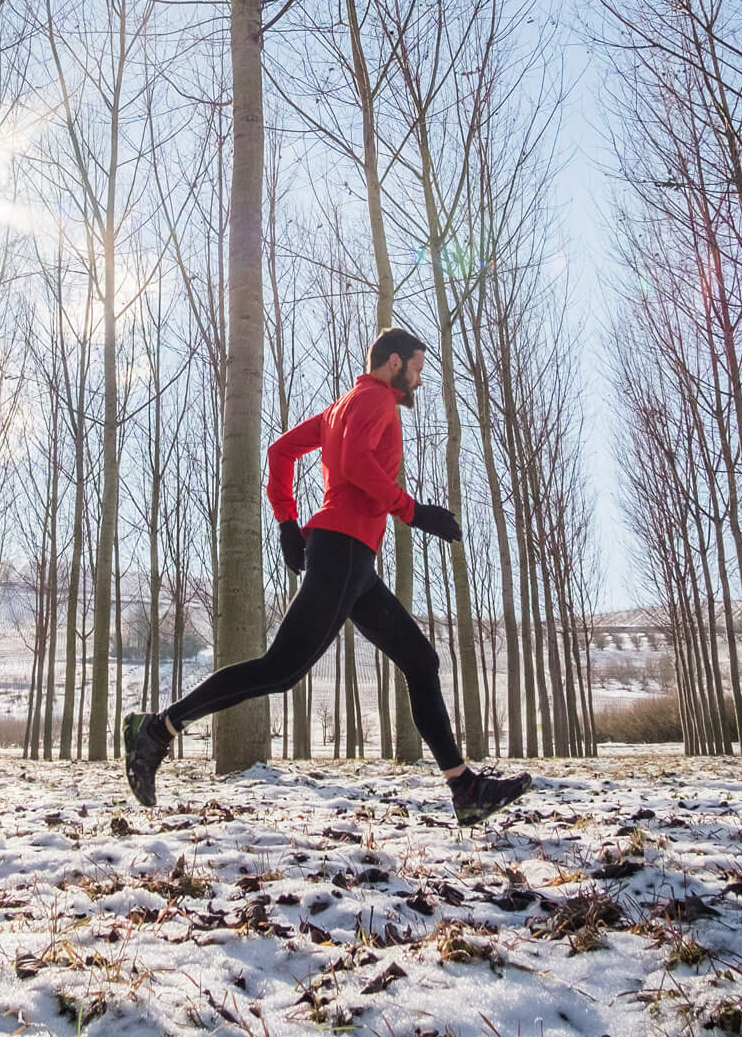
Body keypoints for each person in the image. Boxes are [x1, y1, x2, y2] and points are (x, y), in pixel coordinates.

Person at [122, 326, 533, 827]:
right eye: (419, 368)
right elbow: (359, 464)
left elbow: (280, 452)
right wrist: (412, 512)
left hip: (351, 560)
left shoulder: (342, 407)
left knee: (421, 661)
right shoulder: (377, 401)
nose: (420, 380)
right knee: (281, 669)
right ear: (395, 362)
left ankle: (465, 788)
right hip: (343, 551)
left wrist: (288, 522)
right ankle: (157, 730)